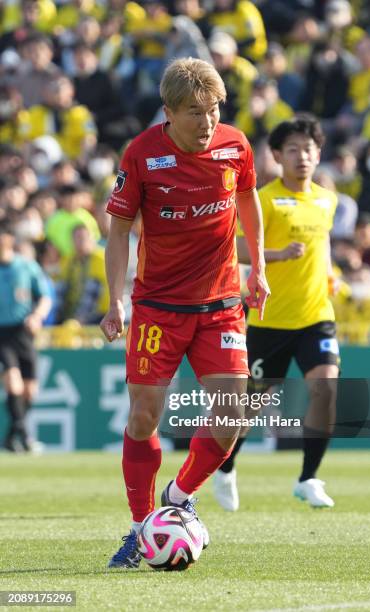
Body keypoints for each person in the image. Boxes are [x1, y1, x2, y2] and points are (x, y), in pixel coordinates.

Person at [100, 57, 269, 569]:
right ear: (168, 112)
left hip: (220, 303)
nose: (207, 121)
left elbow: (248, 202)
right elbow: (119, 230)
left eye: (214, 109)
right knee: (144, 416)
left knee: (232, 416)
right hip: (158, 307)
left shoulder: (235, 146)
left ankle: (178, 496)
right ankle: (139, 528)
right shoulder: (143, 154)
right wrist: (115, 298)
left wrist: (257, 268)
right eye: (195, 111)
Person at [213, 116, 340, 512]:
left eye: (308, 149)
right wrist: (277, 256)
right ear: (277, 156)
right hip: (268, 320)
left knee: (326, 388)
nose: (302, 156)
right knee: (249, 407)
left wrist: (330, 274)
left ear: (318, 154)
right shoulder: (263, 200)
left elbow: (324, 247)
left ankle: (309, 478)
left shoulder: (326, 199)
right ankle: (226, 466)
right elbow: (235, 249)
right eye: (293, 150)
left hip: (316, 315)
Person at [0, 220, 51, 452]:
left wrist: (37, 316)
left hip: (23, 331)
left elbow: (44, 296)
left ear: (10, 240)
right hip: (2, 333)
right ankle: (26, 436)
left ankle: (12, 436)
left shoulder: (26, 266)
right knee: (13, 382)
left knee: (30, 390)